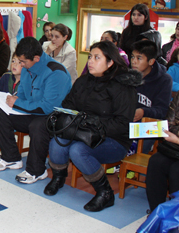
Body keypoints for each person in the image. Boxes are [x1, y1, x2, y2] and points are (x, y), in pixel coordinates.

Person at [44, 41, 140, 212]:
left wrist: (93, 126)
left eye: (97, 58)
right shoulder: (83, 81)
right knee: (57, 140)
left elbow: (122, 124)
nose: (90, 61)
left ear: (110, 62)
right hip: (82, 132)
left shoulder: (123, 86)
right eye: (90, 57)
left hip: (114, 139)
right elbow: (68, 104)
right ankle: (58, 177)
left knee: (77, 150)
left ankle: (105, 193)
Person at [0, 37, 72, 186]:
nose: (21, 65)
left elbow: (47, 107)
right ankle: (11, 158)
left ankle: (37, 170)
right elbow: (23, 94)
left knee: (38, 125)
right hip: (33, 112)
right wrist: (5, 100)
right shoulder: (28, 68)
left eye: (23, 62)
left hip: (55, 118)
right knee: (1, 113)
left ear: (37, 58)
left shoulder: (56, 72)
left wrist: (18, 103)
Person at [146, 89, 179, 212]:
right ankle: (156, 213)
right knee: (156, 161)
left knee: (178, 170)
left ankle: (176, 217)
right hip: (176, 148)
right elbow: (169, 124)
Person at [131, 40, 172, 122]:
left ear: (151, 61)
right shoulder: (127, 75)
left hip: (148, 126)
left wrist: (143, 112)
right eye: (132, 57)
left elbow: (162, 110)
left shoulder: (164, 80)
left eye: (139, 58)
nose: (133, 61)